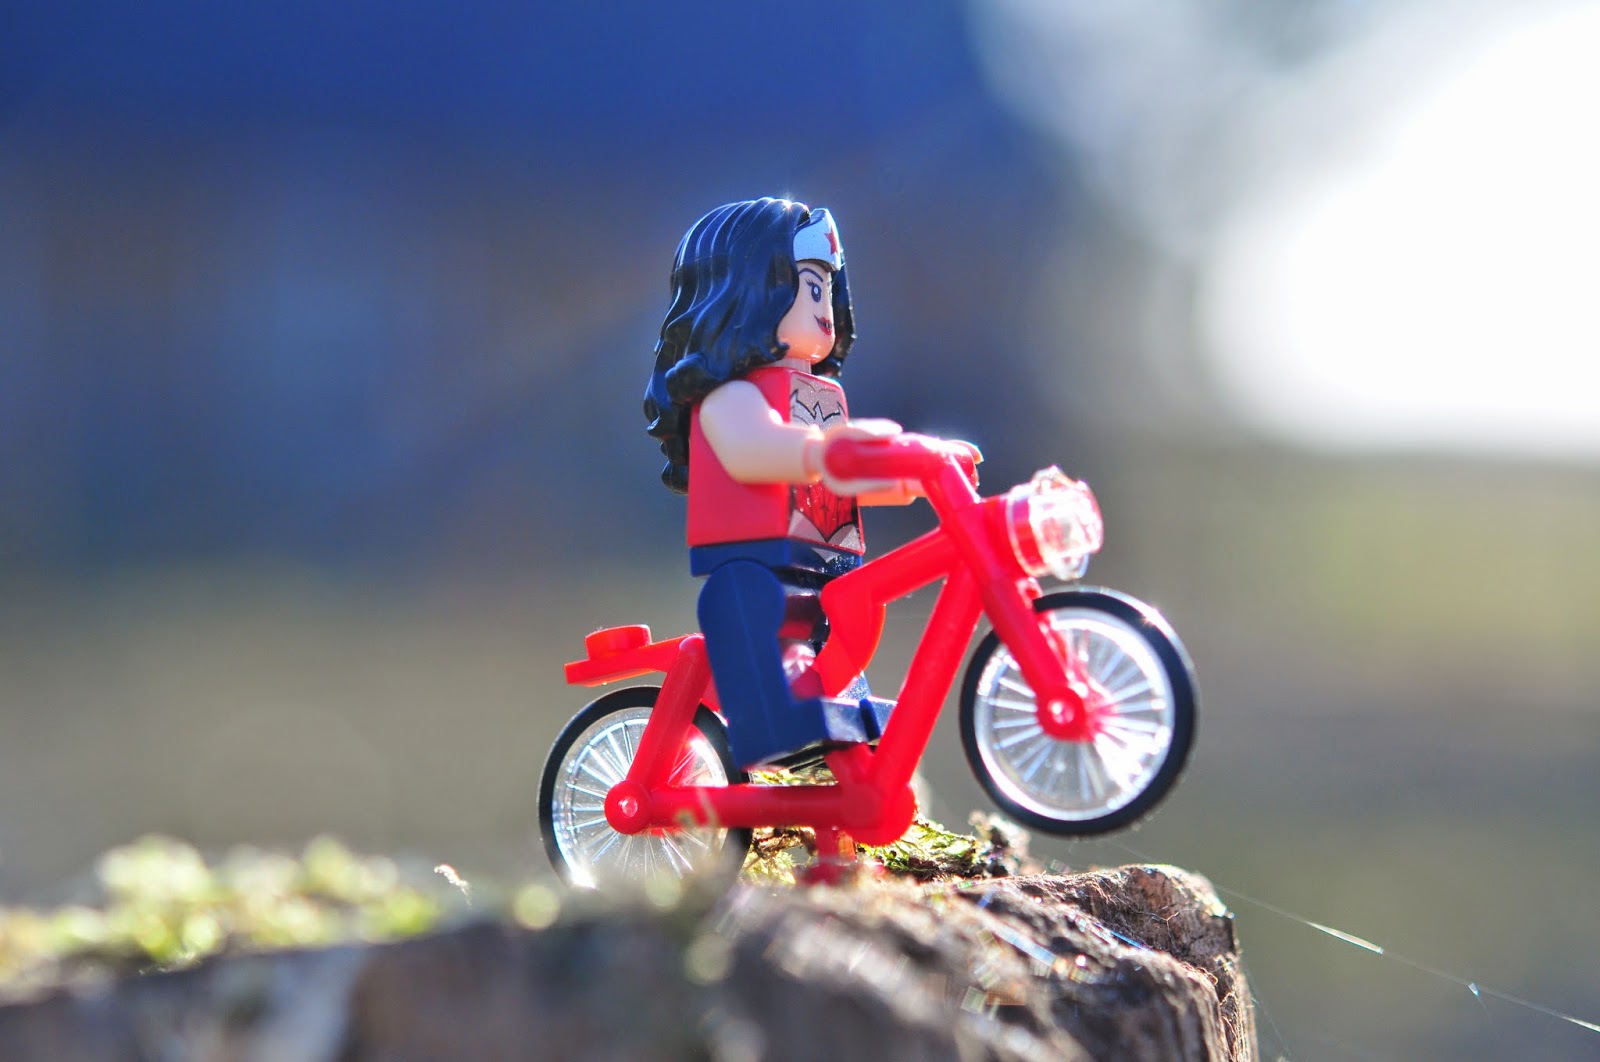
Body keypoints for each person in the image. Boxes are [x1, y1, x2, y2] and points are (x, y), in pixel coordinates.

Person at [644, 197, 968, 768]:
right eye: (809, 288)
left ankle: (838, 725)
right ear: (751, 293)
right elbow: (755, 450)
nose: (824, 308)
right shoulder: (730, 396)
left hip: (823, 562)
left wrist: (916, 472)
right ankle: (769, 725)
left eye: (826, 290)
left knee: (849, 621)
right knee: (756, 611)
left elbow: (843, 479)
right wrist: (826, 450)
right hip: (751, 563)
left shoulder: (817, 396)